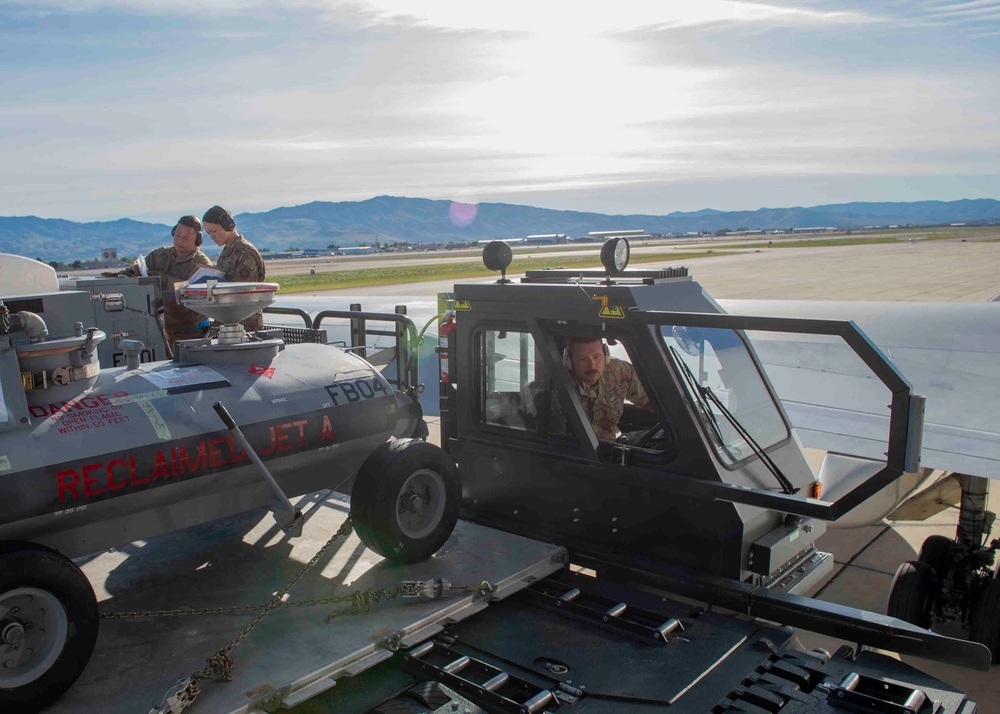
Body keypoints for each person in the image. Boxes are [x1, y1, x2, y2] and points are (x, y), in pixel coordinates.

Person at [124, 215, 213, 349]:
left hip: (191, 330)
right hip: (163, 326)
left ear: (198, 240)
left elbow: (197, 291)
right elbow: (140, 264)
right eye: (177, 235)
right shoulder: (160, 254)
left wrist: (165, 280)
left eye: (186, 238)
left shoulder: (201, 263)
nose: (180, 241)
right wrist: (135, 270)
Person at [562, 335, 652, 442]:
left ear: (606, 354)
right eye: (583, 359)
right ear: (569, 360)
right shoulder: (558, 387)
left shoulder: (621, 371)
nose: (592, 366)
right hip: (580, 451)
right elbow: (555, 442)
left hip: (615, 444)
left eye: (597, 357)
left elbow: (649, 402)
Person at [202, 205, 266, 332]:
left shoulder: (244, 251)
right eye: (209, 233)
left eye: (214, 231)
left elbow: (242, 290)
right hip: (230, 320)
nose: (212, 237)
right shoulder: (228, 251)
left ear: (227, 225)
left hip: (245, 323)